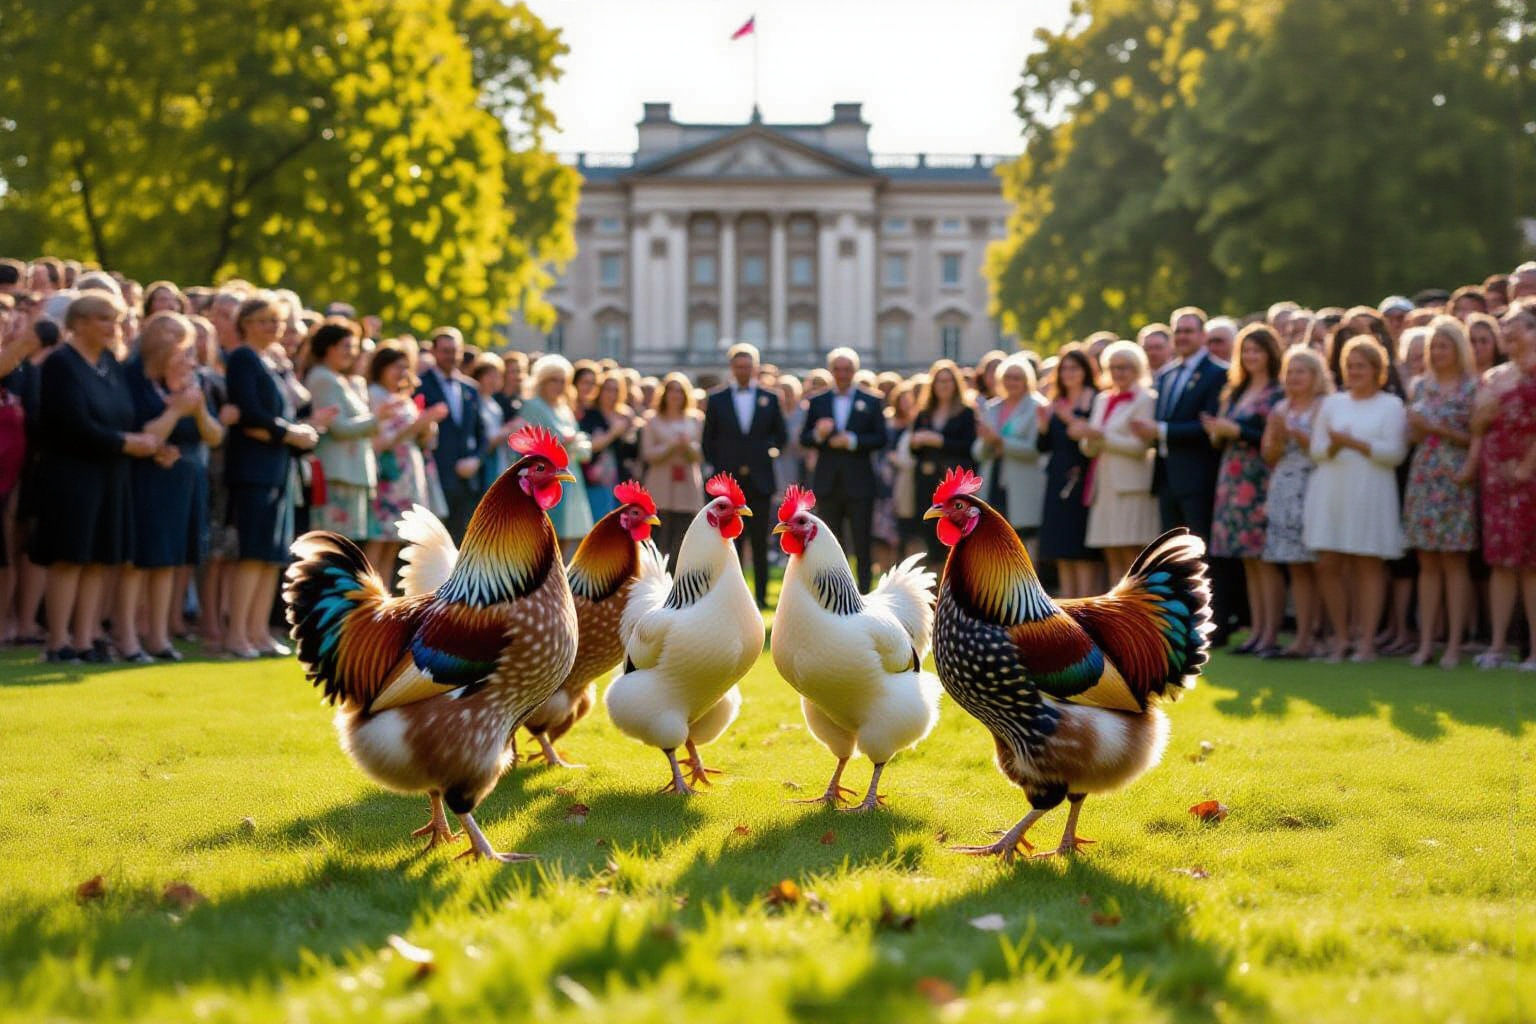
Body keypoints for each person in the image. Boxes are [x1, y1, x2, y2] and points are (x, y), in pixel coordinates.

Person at [30, 293, 164, 663]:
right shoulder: (61, 363)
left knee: (98, 559)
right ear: (81, 320)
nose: (113, 327)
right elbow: (71, 424)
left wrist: (143, 440)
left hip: (111, 472)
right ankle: (58, 642)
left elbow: (125, 413)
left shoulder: (109, 363)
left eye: (117, 319)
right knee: (69, 556)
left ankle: (85, 639)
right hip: (72, 473)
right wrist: (124, 442)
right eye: (105, 319)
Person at [120, 312, 225, 662]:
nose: (189, 360)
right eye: (184, 351)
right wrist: (176, 411)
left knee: (169, 561)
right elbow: (146, 433)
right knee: (138, 560)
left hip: (183, 480)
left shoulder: (190, 383)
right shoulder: (134, 378)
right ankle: (127, 638)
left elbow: (214, 435)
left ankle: (159, 636)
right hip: (144, 478)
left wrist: (194, 410)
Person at [224, 295, 319, 659]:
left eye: (276, 321)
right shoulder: (243, 358)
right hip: (252, 468)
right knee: (252, 554)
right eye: (264, 320)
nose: (273, 328)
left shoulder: (273, 361)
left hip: (276, 466)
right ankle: (237, 635)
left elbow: (300, 403)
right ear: (245, 322)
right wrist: (290, 434)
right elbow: (250, 414)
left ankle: (257, 631)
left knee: (271, 555)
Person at [1304, 335, 1408, 663]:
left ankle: (1367, 642)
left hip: (1371, 492)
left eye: (1361, 366)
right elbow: (1317, 451)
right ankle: (1342, 637)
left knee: (1367, 564)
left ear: (1377, 369)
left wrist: (1355, 443)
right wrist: (1335, 445)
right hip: (1332, 490)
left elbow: (1394, 453)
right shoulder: (1332, 403)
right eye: (1350, 365)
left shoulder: (1391, 405)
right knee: (1328, 564)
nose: (1354, 371)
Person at [1133, 306, 1230, 639]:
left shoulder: (1219, 373)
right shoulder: (1166, 374)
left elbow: (1206, 426)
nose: (1184, 337)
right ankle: (1178, 623)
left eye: (1189, 331)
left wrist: (1160, 430)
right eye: (1179, 331)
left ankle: (1212, 625)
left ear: (1202, 335)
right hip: (1166, 476)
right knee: (1172, 555)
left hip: (1199, 475)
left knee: (1202, 552)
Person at [1402, 316, 1478, 669]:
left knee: (1454, 561)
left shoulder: (1472, 388)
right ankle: (1426, 642)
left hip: (1455, 477)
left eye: (1444, 346)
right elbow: (1415, 437)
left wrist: (1435, 427)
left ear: (1458, 349)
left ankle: (1454, 644)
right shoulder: (1420, 386)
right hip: (1423, 476)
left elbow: (1475, 438)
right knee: (1427, 562)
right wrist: (1415, 428)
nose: (1437, 352)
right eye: (1433, 347)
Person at [1206, 325, 1284, 655]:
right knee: (1247, 561)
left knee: (1264, 557)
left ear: (1270, 353)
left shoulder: (1278, 393)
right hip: (1233, 477)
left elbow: (1269, 436)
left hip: (1260, 477)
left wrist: (1236, 429)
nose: (1251, 357)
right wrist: (1218, 431)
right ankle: (1256, 631)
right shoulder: (1236, 391)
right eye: (1246, 351)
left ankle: (1270, 633)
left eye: (1257, 350)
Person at [1473, 300, 1536, 670]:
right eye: (1507, 327)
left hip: (1529, 477)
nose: (1510, 332)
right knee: (1500, 561)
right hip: (1497, 475)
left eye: (1519, 326)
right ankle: (1497, 646)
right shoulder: (1495, 377)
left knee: (1531, 564)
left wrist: (1528, 466)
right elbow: (1478, 424)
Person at [702, 342, 788, 607]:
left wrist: (765, 454)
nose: (743, 371)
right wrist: (721, 468)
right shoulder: (717, 399)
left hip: (760, 480)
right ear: (731, 368)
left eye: (747, 366)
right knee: (729, 543)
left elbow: (781, 437)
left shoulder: (770, 398)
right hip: (729, 484)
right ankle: (732, 598)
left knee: (760, 541)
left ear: (756, 368)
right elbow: (708, 441)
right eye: (738, 366)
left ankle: (761, 597)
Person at [1261, 347, 1331, 659]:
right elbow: (1269, 456)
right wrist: (1276, 437)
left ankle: (1323, 634)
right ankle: (1302, 636)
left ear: (1316, 376)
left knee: (1320, 565)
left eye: (1301, 371)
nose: (1294, 377)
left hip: (1314, 485)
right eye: (1290, 371)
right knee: (1295, 565)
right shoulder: (1279, 408)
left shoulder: (1324, 407)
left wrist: (1297, 434)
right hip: (1283, 489)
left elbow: (1324, 449)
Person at [801, 346, 887, 591]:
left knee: (861, 542)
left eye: (847, 369)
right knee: (830, 542)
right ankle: (835, 591)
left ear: (855, 371)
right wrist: (819, 434)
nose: (842, 374)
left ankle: (864, 592)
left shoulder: (871, 400)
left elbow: (880, 438)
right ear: (830, 371)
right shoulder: (818, 401)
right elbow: (805, 439)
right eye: (837, 369)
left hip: (860, 482)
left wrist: (852, 441)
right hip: (828, 482)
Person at [365, 342, 447, 587]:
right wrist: (418, 425)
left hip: (408, 474)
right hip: (387, 474)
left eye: (405, 367)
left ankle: (383, 599)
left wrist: (428, 427)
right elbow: (382, 440)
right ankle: (366, 601)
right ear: (381, 367)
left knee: (394, 541)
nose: (401, 373)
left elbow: (419, 439)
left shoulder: (404, 398)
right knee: (378, 539)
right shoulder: (375, 394)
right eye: (395, 367)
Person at [1077, 341, 1158, 582]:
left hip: (1131, 485)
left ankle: (1137, 613)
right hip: (1104, 486)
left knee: (1134, 555)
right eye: (1113, 367)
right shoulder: (1103, 399)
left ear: (1137, 369)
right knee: (1111, 552)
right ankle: (1116, 613)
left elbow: (1140, 447)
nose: (1118, 373)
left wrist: (1101, 437)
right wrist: (1090, 439)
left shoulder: (1146, 398)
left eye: (1124, 367)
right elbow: (1089, 447)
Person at [1037, 344, 1101, 598]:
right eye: (1064, 368)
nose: (1069, 373)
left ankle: (1086, 603)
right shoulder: (1056, 402)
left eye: (1074, 367)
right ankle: (1067, 602)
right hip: (1057, 475)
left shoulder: (1095, 398)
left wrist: (1068, 419)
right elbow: (1044, 446)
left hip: (1083, 475)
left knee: (1081, 546)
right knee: (1060, 546)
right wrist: (1043, 426)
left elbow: (1090, 439)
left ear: (1086, 370)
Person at [416, 327, 485, 542]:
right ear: (434, 352)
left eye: (455, 350)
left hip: (466, 479)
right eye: (445, 351)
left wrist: (476, 459)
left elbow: (481, 433)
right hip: (434, 475)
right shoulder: (419, 384)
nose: (451, 356)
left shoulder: (471, 389)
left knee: (460, 541)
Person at [973, 352, 1047, 549]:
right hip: (993, 481)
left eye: (1017, 378)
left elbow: (1035, 449)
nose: (1012, 382)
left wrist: (1000, 442)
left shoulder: (1036, 406)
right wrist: (988, 443)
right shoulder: (992, 407)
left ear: (1027, 381)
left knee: (1023, 542)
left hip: (1022, 484)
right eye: (1007, 377)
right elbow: (978, 452)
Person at [520, 354, 593, 551]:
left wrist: (575, 444)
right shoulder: (531, 406)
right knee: (544, 537)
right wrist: (560, 442)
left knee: (567, 537)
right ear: (542, 380)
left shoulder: (564, 409)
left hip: (570, 475)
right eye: (554, 380)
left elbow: (582, 443)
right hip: (545, 479)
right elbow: (527, 443)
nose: (559, 385)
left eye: (563, 381)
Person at [909, 359, 978, 566]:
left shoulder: (966, 412)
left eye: (948, 381)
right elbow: (914, 451)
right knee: (929, 533)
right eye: (940, 381)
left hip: (954, 485)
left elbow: (969, 447)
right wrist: (916, 442)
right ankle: (935, 584)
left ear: (956, 384)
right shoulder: (923, 413)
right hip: (926, 480)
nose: (944, 385)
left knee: (956, 534)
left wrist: (939, 441)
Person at [640, 372, 705, 566]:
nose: (675, 395)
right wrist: (670, 446)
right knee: (659, 536)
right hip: (660, 484)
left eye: (680, 391)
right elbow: (648, 454)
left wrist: (687, 446)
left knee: (683, 536)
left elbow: (702, 454)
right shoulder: (652, 420)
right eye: (671, 390)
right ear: (664, 394)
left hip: (687, 485)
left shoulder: (696, 419)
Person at [580, 369, 640, 524]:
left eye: (616, 390)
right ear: (600, 390)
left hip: (620, 482)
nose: (611, 394)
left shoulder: (625, 416)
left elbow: (633, 451)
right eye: (607, 389)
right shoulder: (590, 414)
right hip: (595, 481)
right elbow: (590, 446)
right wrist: (613, 432)